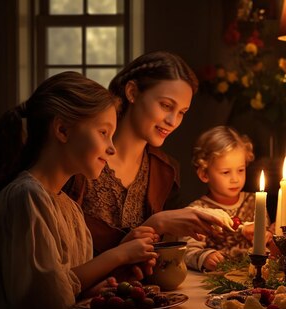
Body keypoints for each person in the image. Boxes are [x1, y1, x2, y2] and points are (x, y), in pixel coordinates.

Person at [0, 72, 160, 309]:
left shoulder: (68, 207)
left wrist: (108, 275)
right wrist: (117, 255)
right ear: (63, 131)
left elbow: (70, 284)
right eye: (103, 132)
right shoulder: (26, 197)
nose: (111, 147)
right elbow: (47, 307)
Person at [64, 51, 230, 261]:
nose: (173, 121)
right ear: (132, 92)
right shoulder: (84, 156)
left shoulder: (165, 170)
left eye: (182, 112)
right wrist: (157, 222)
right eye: (166, 105)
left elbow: (163, 255)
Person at [182, 126, 272, 271]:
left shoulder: (255, 202)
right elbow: (186, 251)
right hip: (215, 283)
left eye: (241, 170)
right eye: (225, 172)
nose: (235, 179)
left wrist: (265, 236)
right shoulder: (197, 210)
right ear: (204, 174)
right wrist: (205, 257)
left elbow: (267, 245)